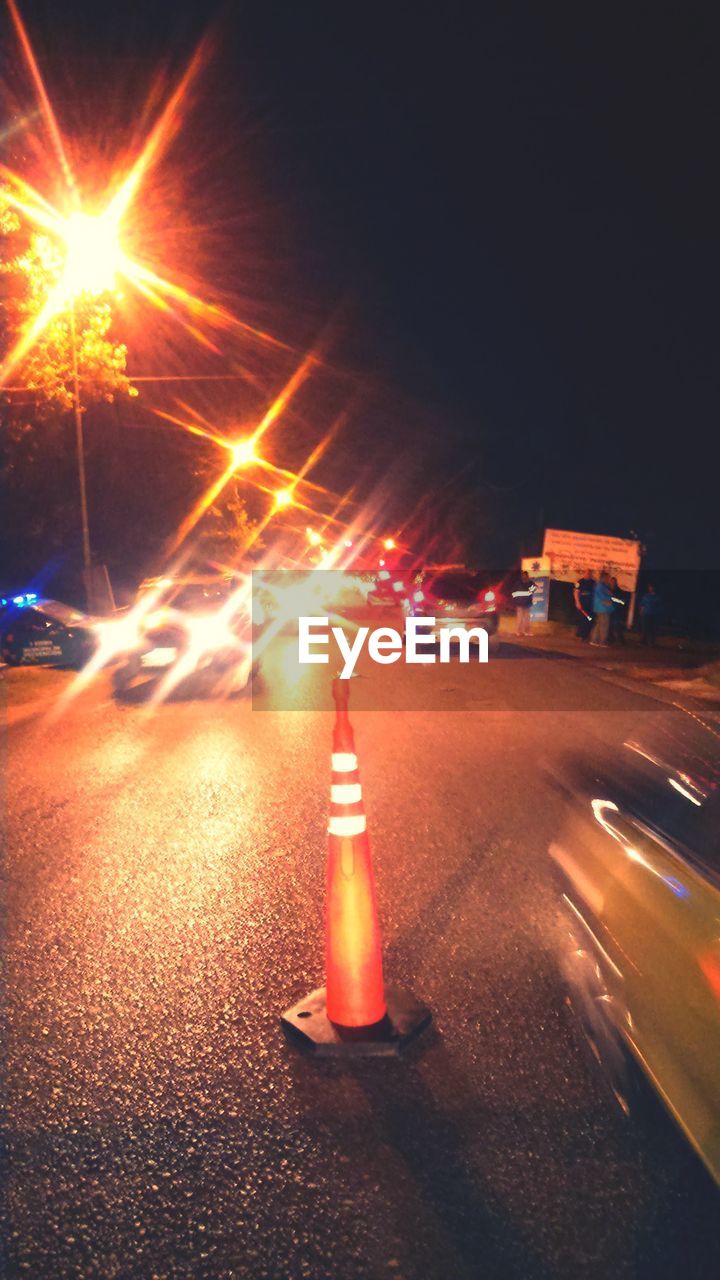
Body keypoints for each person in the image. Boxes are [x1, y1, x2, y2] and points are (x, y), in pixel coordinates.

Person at [589, 572, 613, 646]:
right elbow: (603, 596)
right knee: (604, 625)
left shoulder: (602, 586)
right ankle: (602, 641)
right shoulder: (600, 586)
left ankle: (594, 640)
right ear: (604, 578)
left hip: (601, 608)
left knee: (599, 624)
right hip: (602, 608)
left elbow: (608, 594)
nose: (609, 579)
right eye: (608, 578)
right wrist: (608, 601)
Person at [512, 569, 536, 636]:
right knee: (523, 618)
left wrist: (515, 600)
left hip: (524, 603)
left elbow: (513, 592)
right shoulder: (529, 583)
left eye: (524, 575)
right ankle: (522, 631)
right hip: (524, 603)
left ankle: (522, 632)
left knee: (524, 619)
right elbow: (533, 589)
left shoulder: (518, 583)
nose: (524, 576)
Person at [573, 569, 595, 640]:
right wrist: (577, 602)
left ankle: (586, 634)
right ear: (584, 574)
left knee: (589, 619)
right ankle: (581, 635)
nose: (588, 575)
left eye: (589, 573)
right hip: (582, 604)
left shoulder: (593, 582)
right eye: (587, 573)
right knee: (582, 619)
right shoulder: (580, 582)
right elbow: (576, 592)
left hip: (590, 605)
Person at [608, 576, 626, 644]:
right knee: (610, 625)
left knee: (617, 625)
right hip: (609, 610)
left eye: (613, 582)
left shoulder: (619, 591)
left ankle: (620, 639)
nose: (612, 583)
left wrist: (616, 600)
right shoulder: (607, 590)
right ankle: (610, 638)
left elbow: (623, 602)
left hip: (617, 610)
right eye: (611, 582)